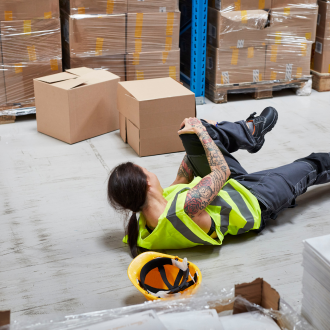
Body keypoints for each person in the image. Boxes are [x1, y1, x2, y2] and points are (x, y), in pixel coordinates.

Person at [108, 107, 330, 258]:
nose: (150, 170)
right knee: (315, 164)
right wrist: (204, 134)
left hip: (229, 187)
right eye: (146, 169)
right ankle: (246, 133)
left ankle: (250, 133)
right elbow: (221, 171)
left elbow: (183, 178)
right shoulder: (186, 209)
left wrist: (198, 134)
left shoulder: (147, 218)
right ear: (147, 182)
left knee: (191, 131)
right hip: (256, 199)